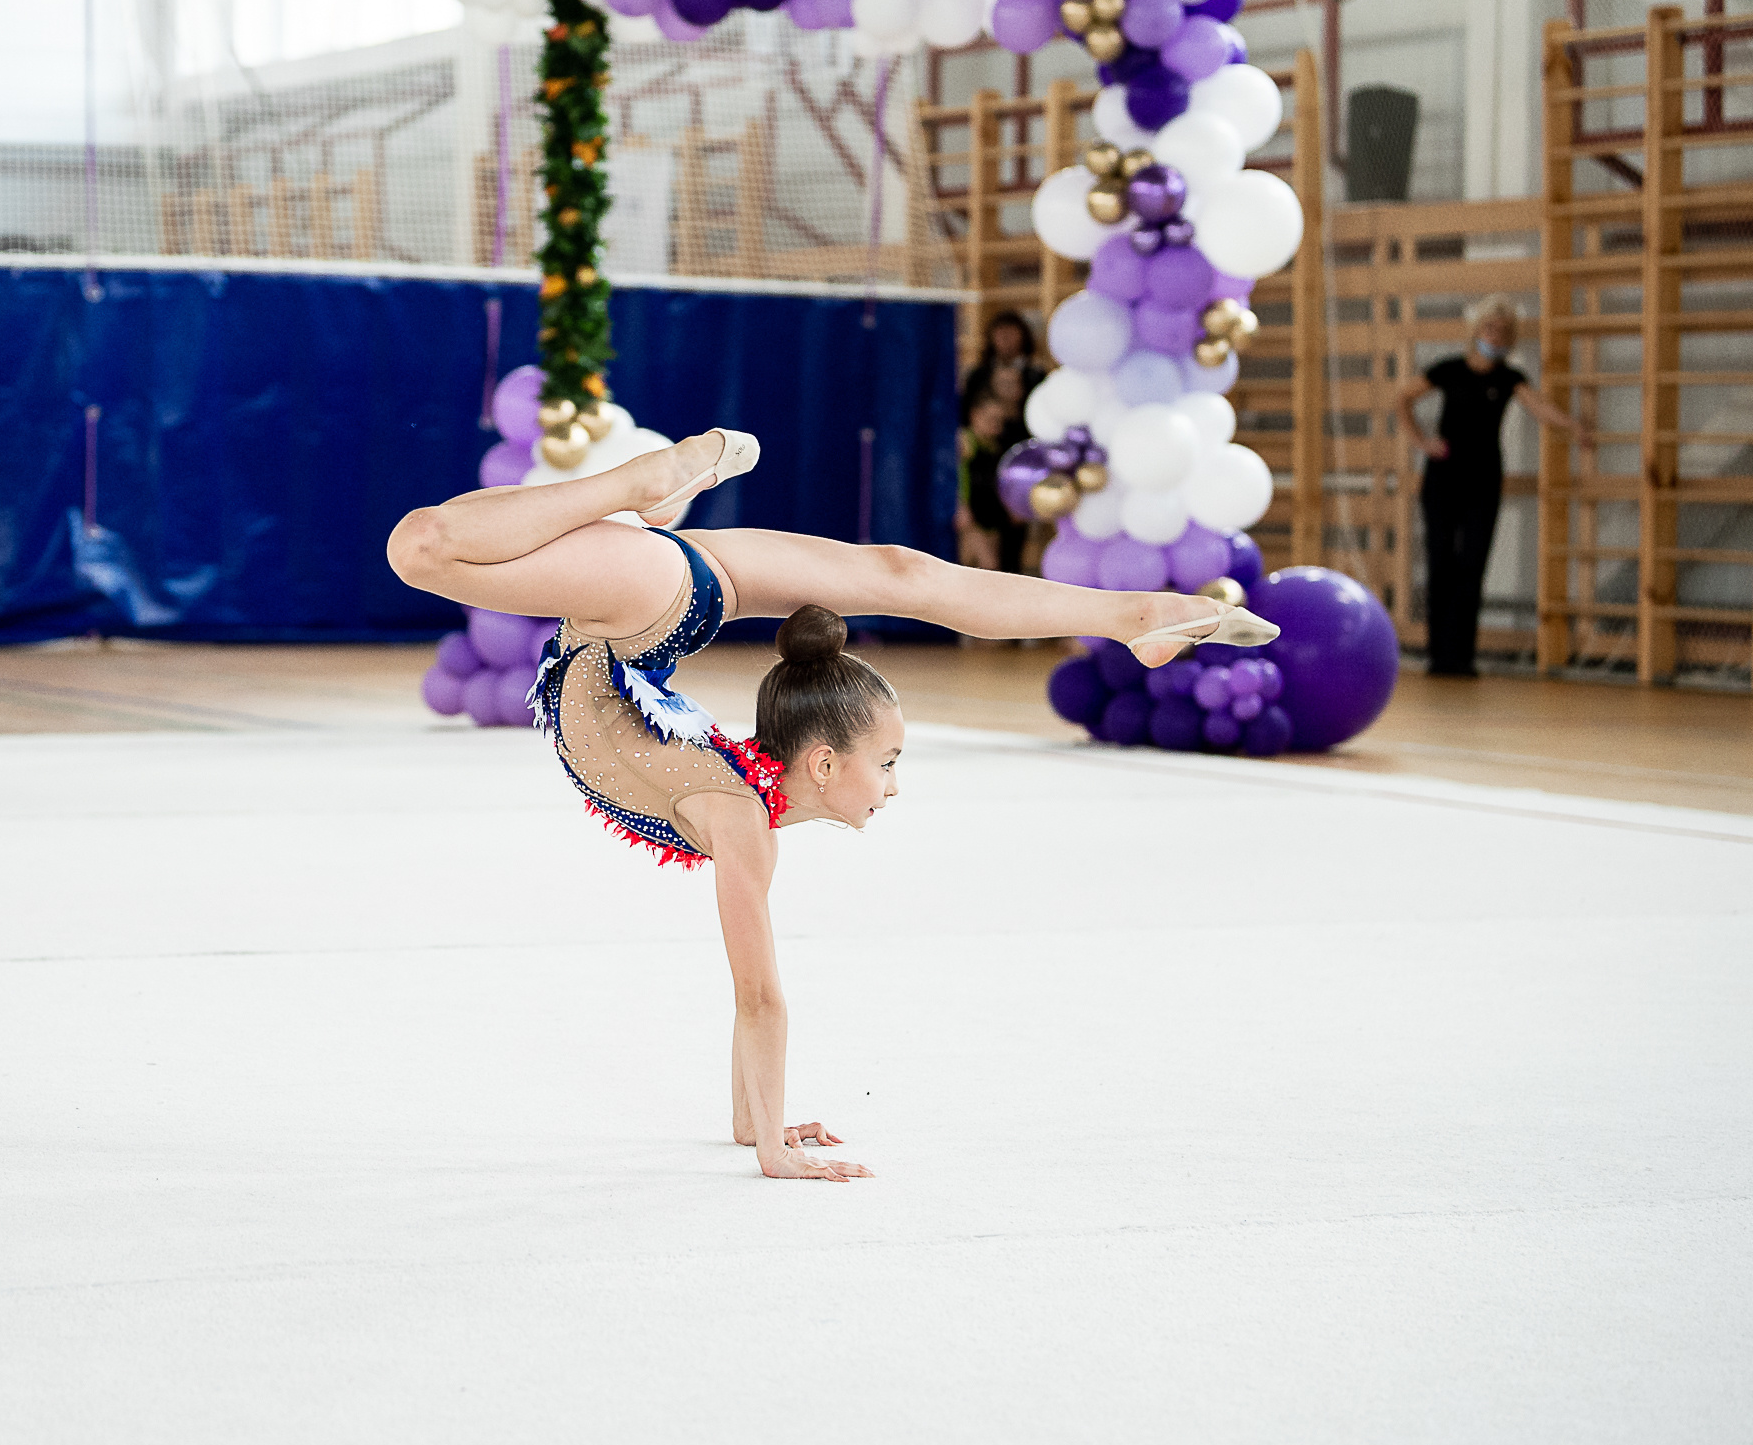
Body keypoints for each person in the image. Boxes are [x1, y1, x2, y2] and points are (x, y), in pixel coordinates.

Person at [385, 430, 1276, 1182]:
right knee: (417, 548)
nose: (894, 783)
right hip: (640, 611)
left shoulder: (740, 803)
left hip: (664, 605)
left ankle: (1138, 613)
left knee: (900, 573)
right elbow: (761, 996)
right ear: (818, 761)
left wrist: (752, 1123)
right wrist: (774, 1151)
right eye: (886, 761)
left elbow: (750, 1004)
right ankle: (634, 482)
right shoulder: (738, 816)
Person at [1392, 298, 1590, 678]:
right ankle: (1440, 657)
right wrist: (1422, 441)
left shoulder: (1508, 378)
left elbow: (1540, 408)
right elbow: (1403, 397)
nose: (1494, 336)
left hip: (1483, 481)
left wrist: (1572, 426)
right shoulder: (1448, 370)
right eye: (1490, 329)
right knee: (1441, 564)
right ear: (1477, 331)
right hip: (1443, 480)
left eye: (1502, 332)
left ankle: (1462, 656)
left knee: (1472, 566)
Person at [955, 388, 1030, 575]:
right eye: (991, 420)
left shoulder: (995, 446)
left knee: (990, 569)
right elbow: (955, 476)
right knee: (987, 566)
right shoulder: (965, 442)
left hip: (992, 521)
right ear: (975, 415)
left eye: (1000, 422)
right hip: (972, 522)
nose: (997, 427)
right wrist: (960, 504)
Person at [960, 310, 1044, 417]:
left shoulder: (1036, 375)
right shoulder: (978, 375)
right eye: (1000, 333)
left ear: (1023, 336)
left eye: (1011, 333)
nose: (1005, 338)